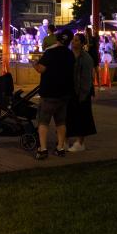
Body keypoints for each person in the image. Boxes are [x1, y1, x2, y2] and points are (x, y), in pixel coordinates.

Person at [32, 29, 74, 160]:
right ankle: (60, 147)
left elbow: (41, 69)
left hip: (49, 92)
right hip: (65, 92)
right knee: (61, 122)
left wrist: (34, 64)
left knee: (43, 121)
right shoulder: (70, 54)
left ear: (57, 39)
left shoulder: (50, 53)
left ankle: (43, 149)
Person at [67, 33, 96, 152]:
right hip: (70, 91)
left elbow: (87, 78)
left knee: (83, 117)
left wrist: (83, 94)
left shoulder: (86, 58)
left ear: (82, 43)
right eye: (73, 40)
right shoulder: (68, 55)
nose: (74, 42)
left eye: (77, 40)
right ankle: (64, 141)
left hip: (82, 92)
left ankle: (80, 142)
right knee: (67, 117)